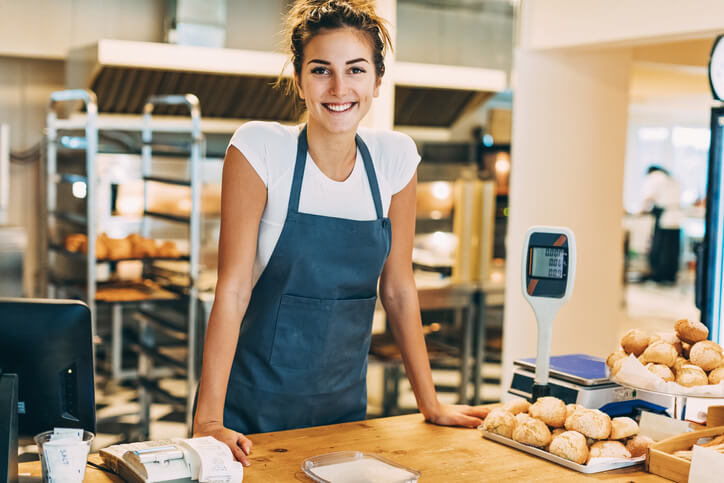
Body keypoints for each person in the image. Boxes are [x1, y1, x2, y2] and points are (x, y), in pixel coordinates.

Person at [192, 0, 489, 466]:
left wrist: (430, 403)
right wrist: (209, 420)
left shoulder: (395, 159)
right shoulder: (258, 149)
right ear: (299, 79)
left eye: (355, 70)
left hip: (343, 409)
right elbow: (231, 290)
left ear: (376, 80)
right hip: (250, 409)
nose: (338, 87)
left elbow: (398, 288)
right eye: (320, 70)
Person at [641, 165, 682, 284]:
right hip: (675, 217)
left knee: (661, 247)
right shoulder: (670, 178)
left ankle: (659, 275)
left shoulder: (655, 177)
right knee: (671, 249)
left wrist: (642, 209)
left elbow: (648, 197)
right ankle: (669, 275)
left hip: (666, 216)